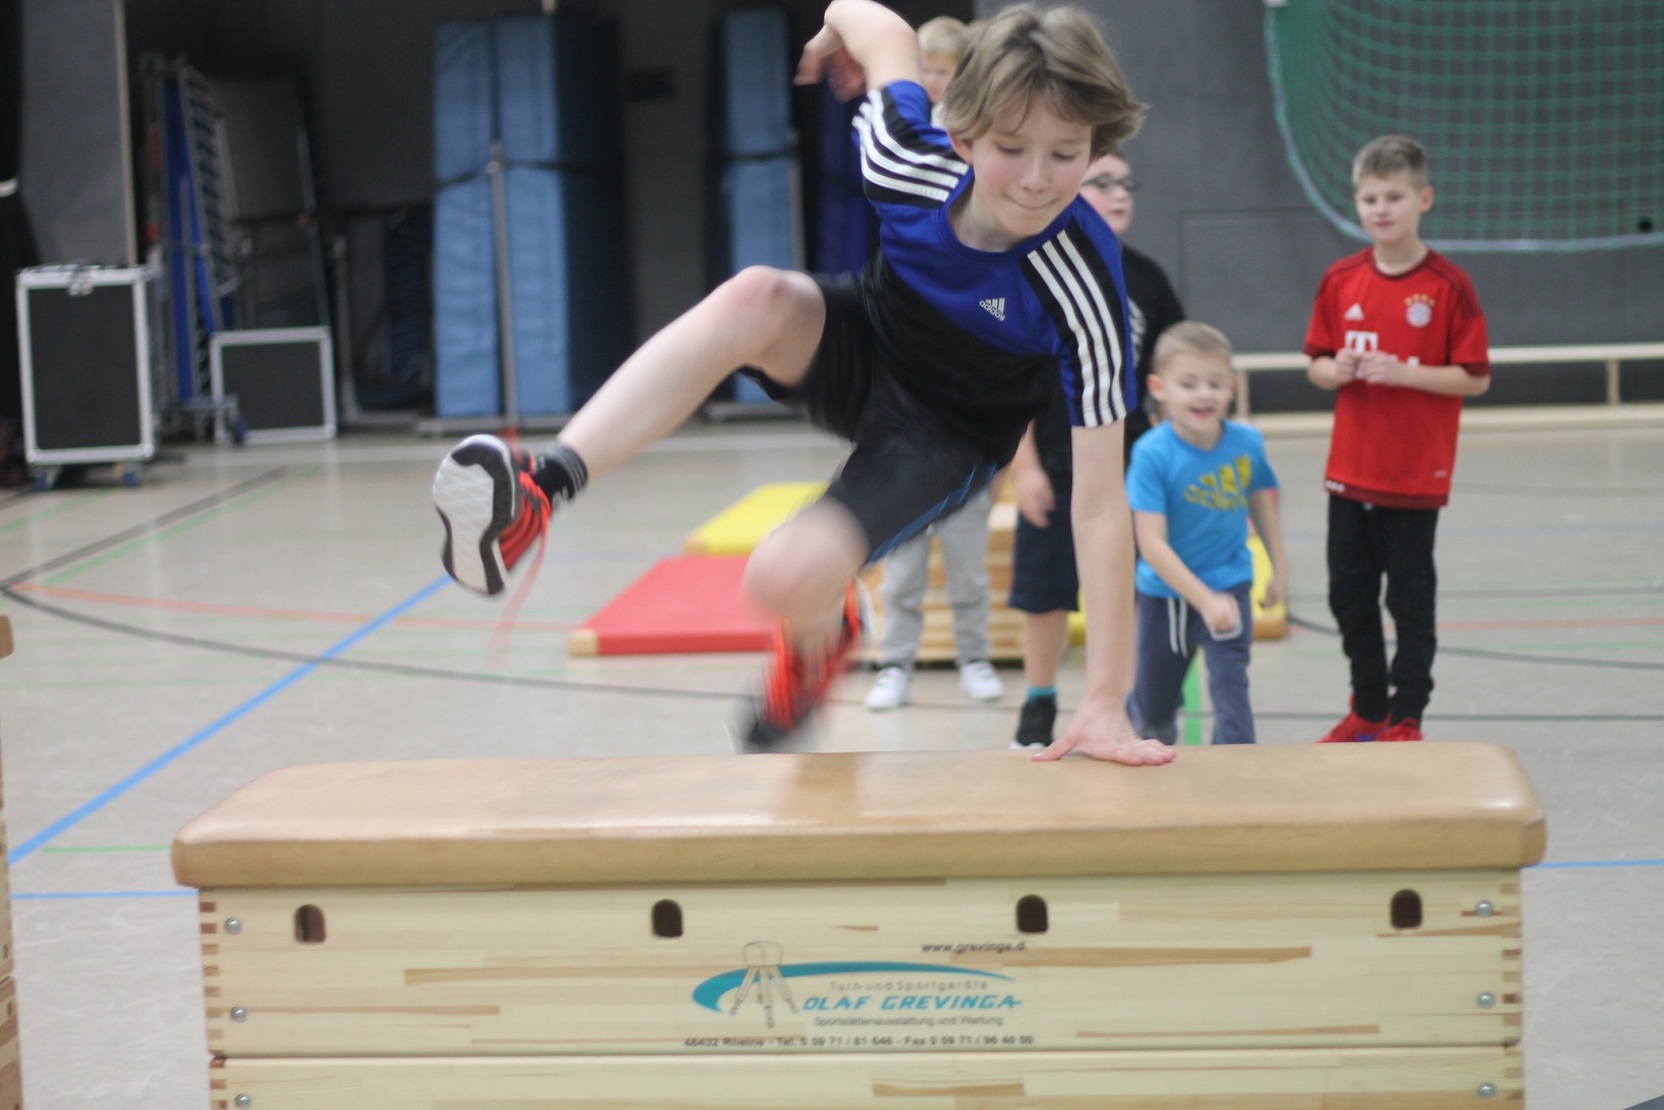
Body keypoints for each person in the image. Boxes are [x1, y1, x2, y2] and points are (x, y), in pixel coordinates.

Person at [431, 0, 1174, 768]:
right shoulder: (907, 158)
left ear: (1096, 143)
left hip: (946, 435)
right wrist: (831, 26)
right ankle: (540, 489)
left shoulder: (1082, 281)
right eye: (1012, 147)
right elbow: (879, 27)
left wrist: (1103, 700)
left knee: (780, 577)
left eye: (1066, 152)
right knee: (756, 294)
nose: (1036, 180)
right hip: (869, 338)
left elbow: (1098, 506)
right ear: (962, 135)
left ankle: (819, 638)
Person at [1305, 134, 1490, 744]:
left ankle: (1406, 713)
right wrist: (1340, 371)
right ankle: (1368, 704)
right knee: (1347, 598)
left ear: (1423, 199)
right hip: (1349, 471)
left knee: (1409, 602)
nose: (1380, 209)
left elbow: (1475, 378)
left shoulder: (1447, 286)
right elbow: (1318, 363)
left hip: (1413, 477)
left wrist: (1407, 373)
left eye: (1394, 196)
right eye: (1368, 198)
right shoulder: (1340, 279)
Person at [1006, 148, 1184, 748]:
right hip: (1055, 464)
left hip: (1127, 468)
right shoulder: (1030, 271)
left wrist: (1174, 461)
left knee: (1132, 590)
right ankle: (1039, 701)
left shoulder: (1148, 279)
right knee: (1044, 593)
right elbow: (1008, 382)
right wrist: (1024, 467)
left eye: (1127, 183)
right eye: (1103, 182)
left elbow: (1172, 374)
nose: (1120, 193)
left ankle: (1125, 702)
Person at [864, 11, 1002, 712]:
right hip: (910, 426)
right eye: (924, 73)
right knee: (904, 565)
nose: (931, 82)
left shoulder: (978, 161)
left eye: (943, 71)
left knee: (971, 566)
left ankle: (976, 656)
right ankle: (895, 665)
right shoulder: (910, 157)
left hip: (969, 428)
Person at [1124, 322, 1287, 745]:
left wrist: (1279, 571)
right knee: (1154, 708)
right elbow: (1151, 544)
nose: (1203, 395)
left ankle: (1236, 772)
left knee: (1232, 692)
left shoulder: (1246, 442)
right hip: (1167, 598)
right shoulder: (1151, 455)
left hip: (1230, 583)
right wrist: (1203, 599)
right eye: (1189, 384)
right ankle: (1148, 723)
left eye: (1214, 384)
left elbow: (1262, 502)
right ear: (1159, 388)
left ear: (1231, 386)